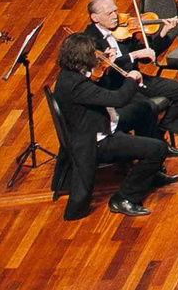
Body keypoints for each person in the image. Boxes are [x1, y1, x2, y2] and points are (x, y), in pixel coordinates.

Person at [53, 32, 170, 220]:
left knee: (143, 108)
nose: (96, 56)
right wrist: (131, 79)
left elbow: (100, 91)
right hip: (98, 139)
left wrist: (105, 71)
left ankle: (150, 173)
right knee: (158, 149)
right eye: (93, 54)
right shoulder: (75, 85)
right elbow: (118, 98)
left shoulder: (71, 74)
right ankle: (124, 198)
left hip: (101, 121)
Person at [77, 0, 178, 138]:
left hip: (138, 79)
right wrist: (133, 55)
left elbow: (146, 57)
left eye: (115, 10)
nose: (115, 16)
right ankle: (154, 144)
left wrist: (163, 34)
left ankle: (161, 132)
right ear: (95, 18)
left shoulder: (123, 29)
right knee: (148, 107)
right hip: (118, 87)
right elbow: (107, 70)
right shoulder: (89, 40)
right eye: (109, 13)